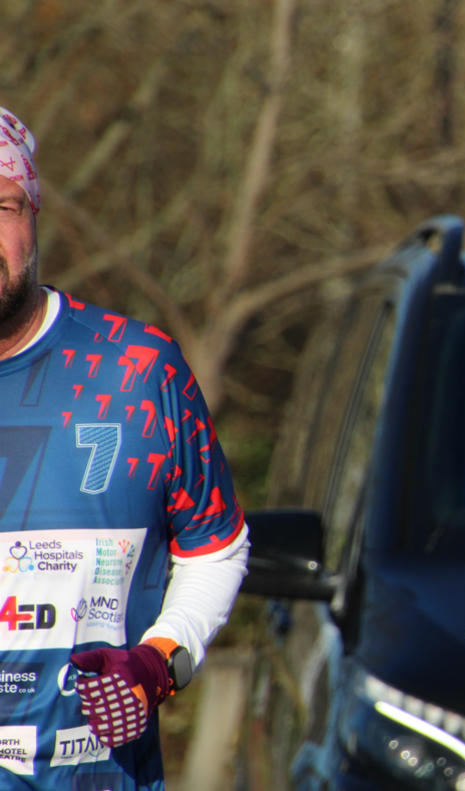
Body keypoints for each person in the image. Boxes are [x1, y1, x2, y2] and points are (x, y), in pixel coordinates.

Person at [0, 108, 248, 788]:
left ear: (34, 216)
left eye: (3, 204)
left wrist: (160, 659)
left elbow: (216, 547)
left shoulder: (138, 371)